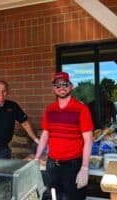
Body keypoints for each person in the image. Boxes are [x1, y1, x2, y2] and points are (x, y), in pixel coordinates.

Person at [34, 72, 94, 200]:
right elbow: (45, 135)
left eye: (65, 84)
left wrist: (84, 167)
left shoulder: (81, 109)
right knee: (53, 197)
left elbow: (88, 140)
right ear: (54, 88)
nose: (61, 87)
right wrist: (36, 158)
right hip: (52, 164)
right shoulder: (50, 109)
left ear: (71, 86)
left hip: (73, 165)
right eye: (58, 85)